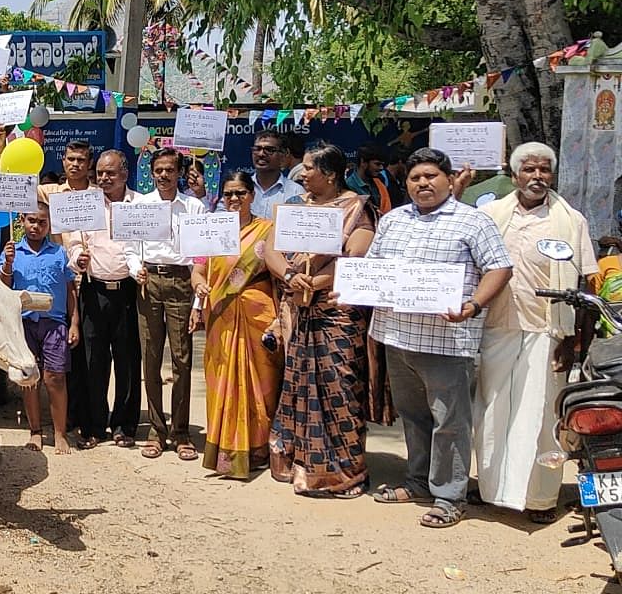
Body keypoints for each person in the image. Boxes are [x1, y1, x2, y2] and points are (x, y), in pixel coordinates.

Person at [367, 147, 512, 529]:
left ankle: (449, 495)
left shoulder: (472, 222)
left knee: (450, 421)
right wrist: (351, 290)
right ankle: (418, 482)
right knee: (413, 417)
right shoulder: (393, 220)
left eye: (431, 176)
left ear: (450, 180)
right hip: (397, 336)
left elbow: (499, 268)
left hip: (447, 341)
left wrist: (473, 305)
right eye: (415, 178)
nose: (423, 183)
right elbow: (372, 269)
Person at [474, 142, 597, 523]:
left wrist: (575, 341)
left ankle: (541, 499)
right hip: (498, 328)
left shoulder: (570, 219)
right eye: (529, 170)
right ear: (514, 175)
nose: (538, 177)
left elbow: (587, 286)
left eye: (544, 170)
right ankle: (493, 490)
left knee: (544, 417)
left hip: (549, 332)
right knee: (492, 413)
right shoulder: (492, 215)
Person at [264, 144, 377, 497]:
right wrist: (289, 276)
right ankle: (304, 463)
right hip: (299, 309)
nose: (302, 173)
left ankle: (344, 472)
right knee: (299, 386)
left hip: (337, 313)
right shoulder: (296, 209)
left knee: (338, 387)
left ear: (330, 173)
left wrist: (317, 281)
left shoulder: (357, 208)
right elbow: (270, 248)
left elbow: (356, 254)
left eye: (309, 167)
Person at [190, 171, 280, 478]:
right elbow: (198, 270)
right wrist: (200, 285)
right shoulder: (212, 230)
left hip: (257, 317)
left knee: (260, 385)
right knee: (223, 383)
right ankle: (227, 451)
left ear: (252, 195)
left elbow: (278, 272)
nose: (234, 199)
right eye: (228, 194)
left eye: (240, 193)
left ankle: (258, 449)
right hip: (221, 317)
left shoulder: (267, 230)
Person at [125, 148, 207, 460]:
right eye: (158, 170)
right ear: (151, 172)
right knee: (151, 358)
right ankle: (156, 430)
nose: (163, 175)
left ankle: (181, 432)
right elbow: (129, 247)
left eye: (169, 170)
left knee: (182, 359)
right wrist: (136, 269)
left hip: (182, 283)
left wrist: (198, 300)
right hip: (149, 283)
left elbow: (202, 257)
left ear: (179, 172)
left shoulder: (194, 207)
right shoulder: (141, 205)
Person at [64, 150, 142, 448]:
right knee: (93, 361)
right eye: (100, 173)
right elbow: (72, 242)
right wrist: (77, 258)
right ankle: (94, 424)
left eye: (110, 173)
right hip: (94, 292)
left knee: (128, 361)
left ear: (124, 173)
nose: (104, 178)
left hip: (128, 292)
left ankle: (124, 425)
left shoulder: (140, 205)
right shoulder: (86, 203)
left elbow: (146, 244)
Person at [0, 201, 79, 454]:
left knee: (55, 378)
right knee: (29, 377)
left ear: (49, 225)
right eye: (31, 220)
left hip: (54, 323)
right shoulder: (11, 251)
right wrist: (8, 265)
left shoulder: (59, 253)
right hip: (22, 323)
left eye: (42, 222)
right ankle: (35, 431)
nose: (36, 226)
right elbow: (2, 287)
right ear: (21, 221)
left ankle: (59, 433)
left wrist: (74, 322)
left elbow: (70, 290)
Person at [37, 141, 93, 437]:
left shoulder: (98, 197)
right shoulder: (49, 193)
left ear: (89, 163)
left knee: (88, 354)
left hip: (94, 279)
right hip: (62, 281)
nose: (75, 164)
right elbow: (21, 197)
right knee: (64, 351)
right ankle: (65, 419)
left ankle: (89, 417)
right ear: (63, 161)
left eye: (81, 159)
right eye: (71, 159)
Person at [245, 130, 304, 218]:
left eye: (269, 150)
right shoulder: (240, 188)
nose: (261, 154)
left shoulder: (296, 192)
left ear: (283, 155)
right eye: (257, 149)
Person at [346, 144, 392, 215]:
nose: (381, 168)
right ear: (363, 162)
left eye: (382, 164)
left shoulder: (379, 183)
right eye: (377, 164)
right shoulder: (348, 186)